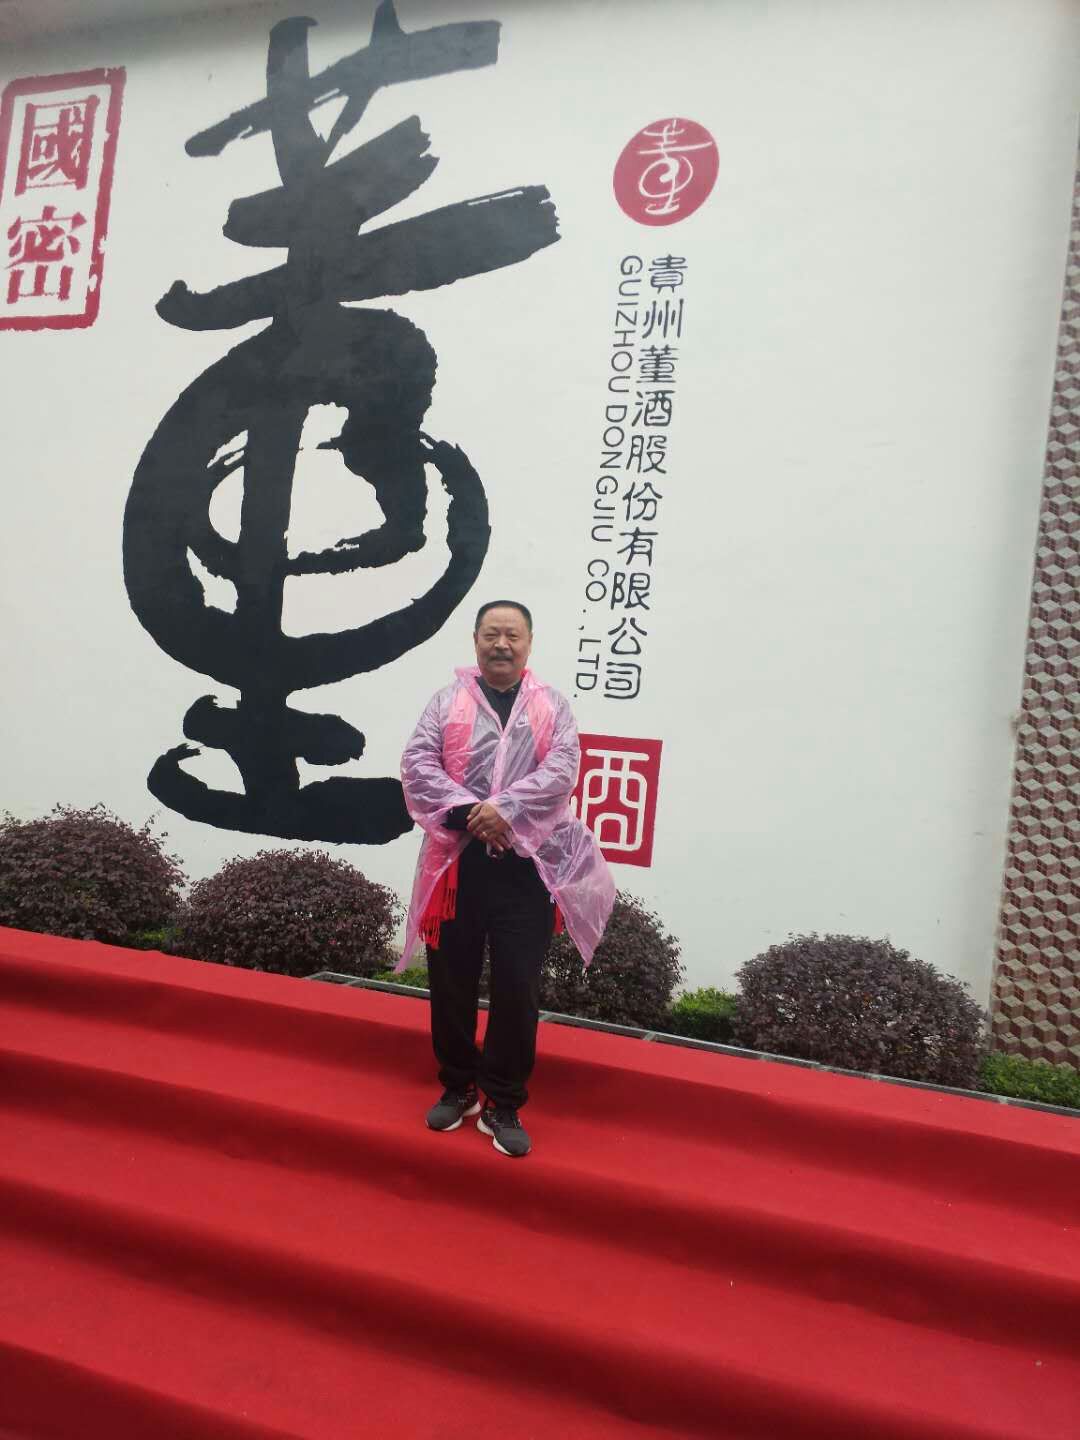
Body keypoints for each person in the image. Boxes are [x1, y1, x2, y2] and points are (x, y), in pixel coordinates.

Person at [398, 601, 614, 1157]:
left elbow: (561, 772)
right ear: (474, 641)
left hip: (528, 868)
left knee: (518, 986)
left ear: (529, 644)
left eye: (512, 635)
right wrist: (475, 814)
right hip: (457, 864)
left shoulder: (552, 707)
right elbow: (418, 765)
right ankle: (458, 1085)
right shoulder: (445, 703)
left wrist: (506, 813)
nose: (501, 644)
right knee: (451, 980)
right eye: (491, 634)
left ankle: (503, 1100)